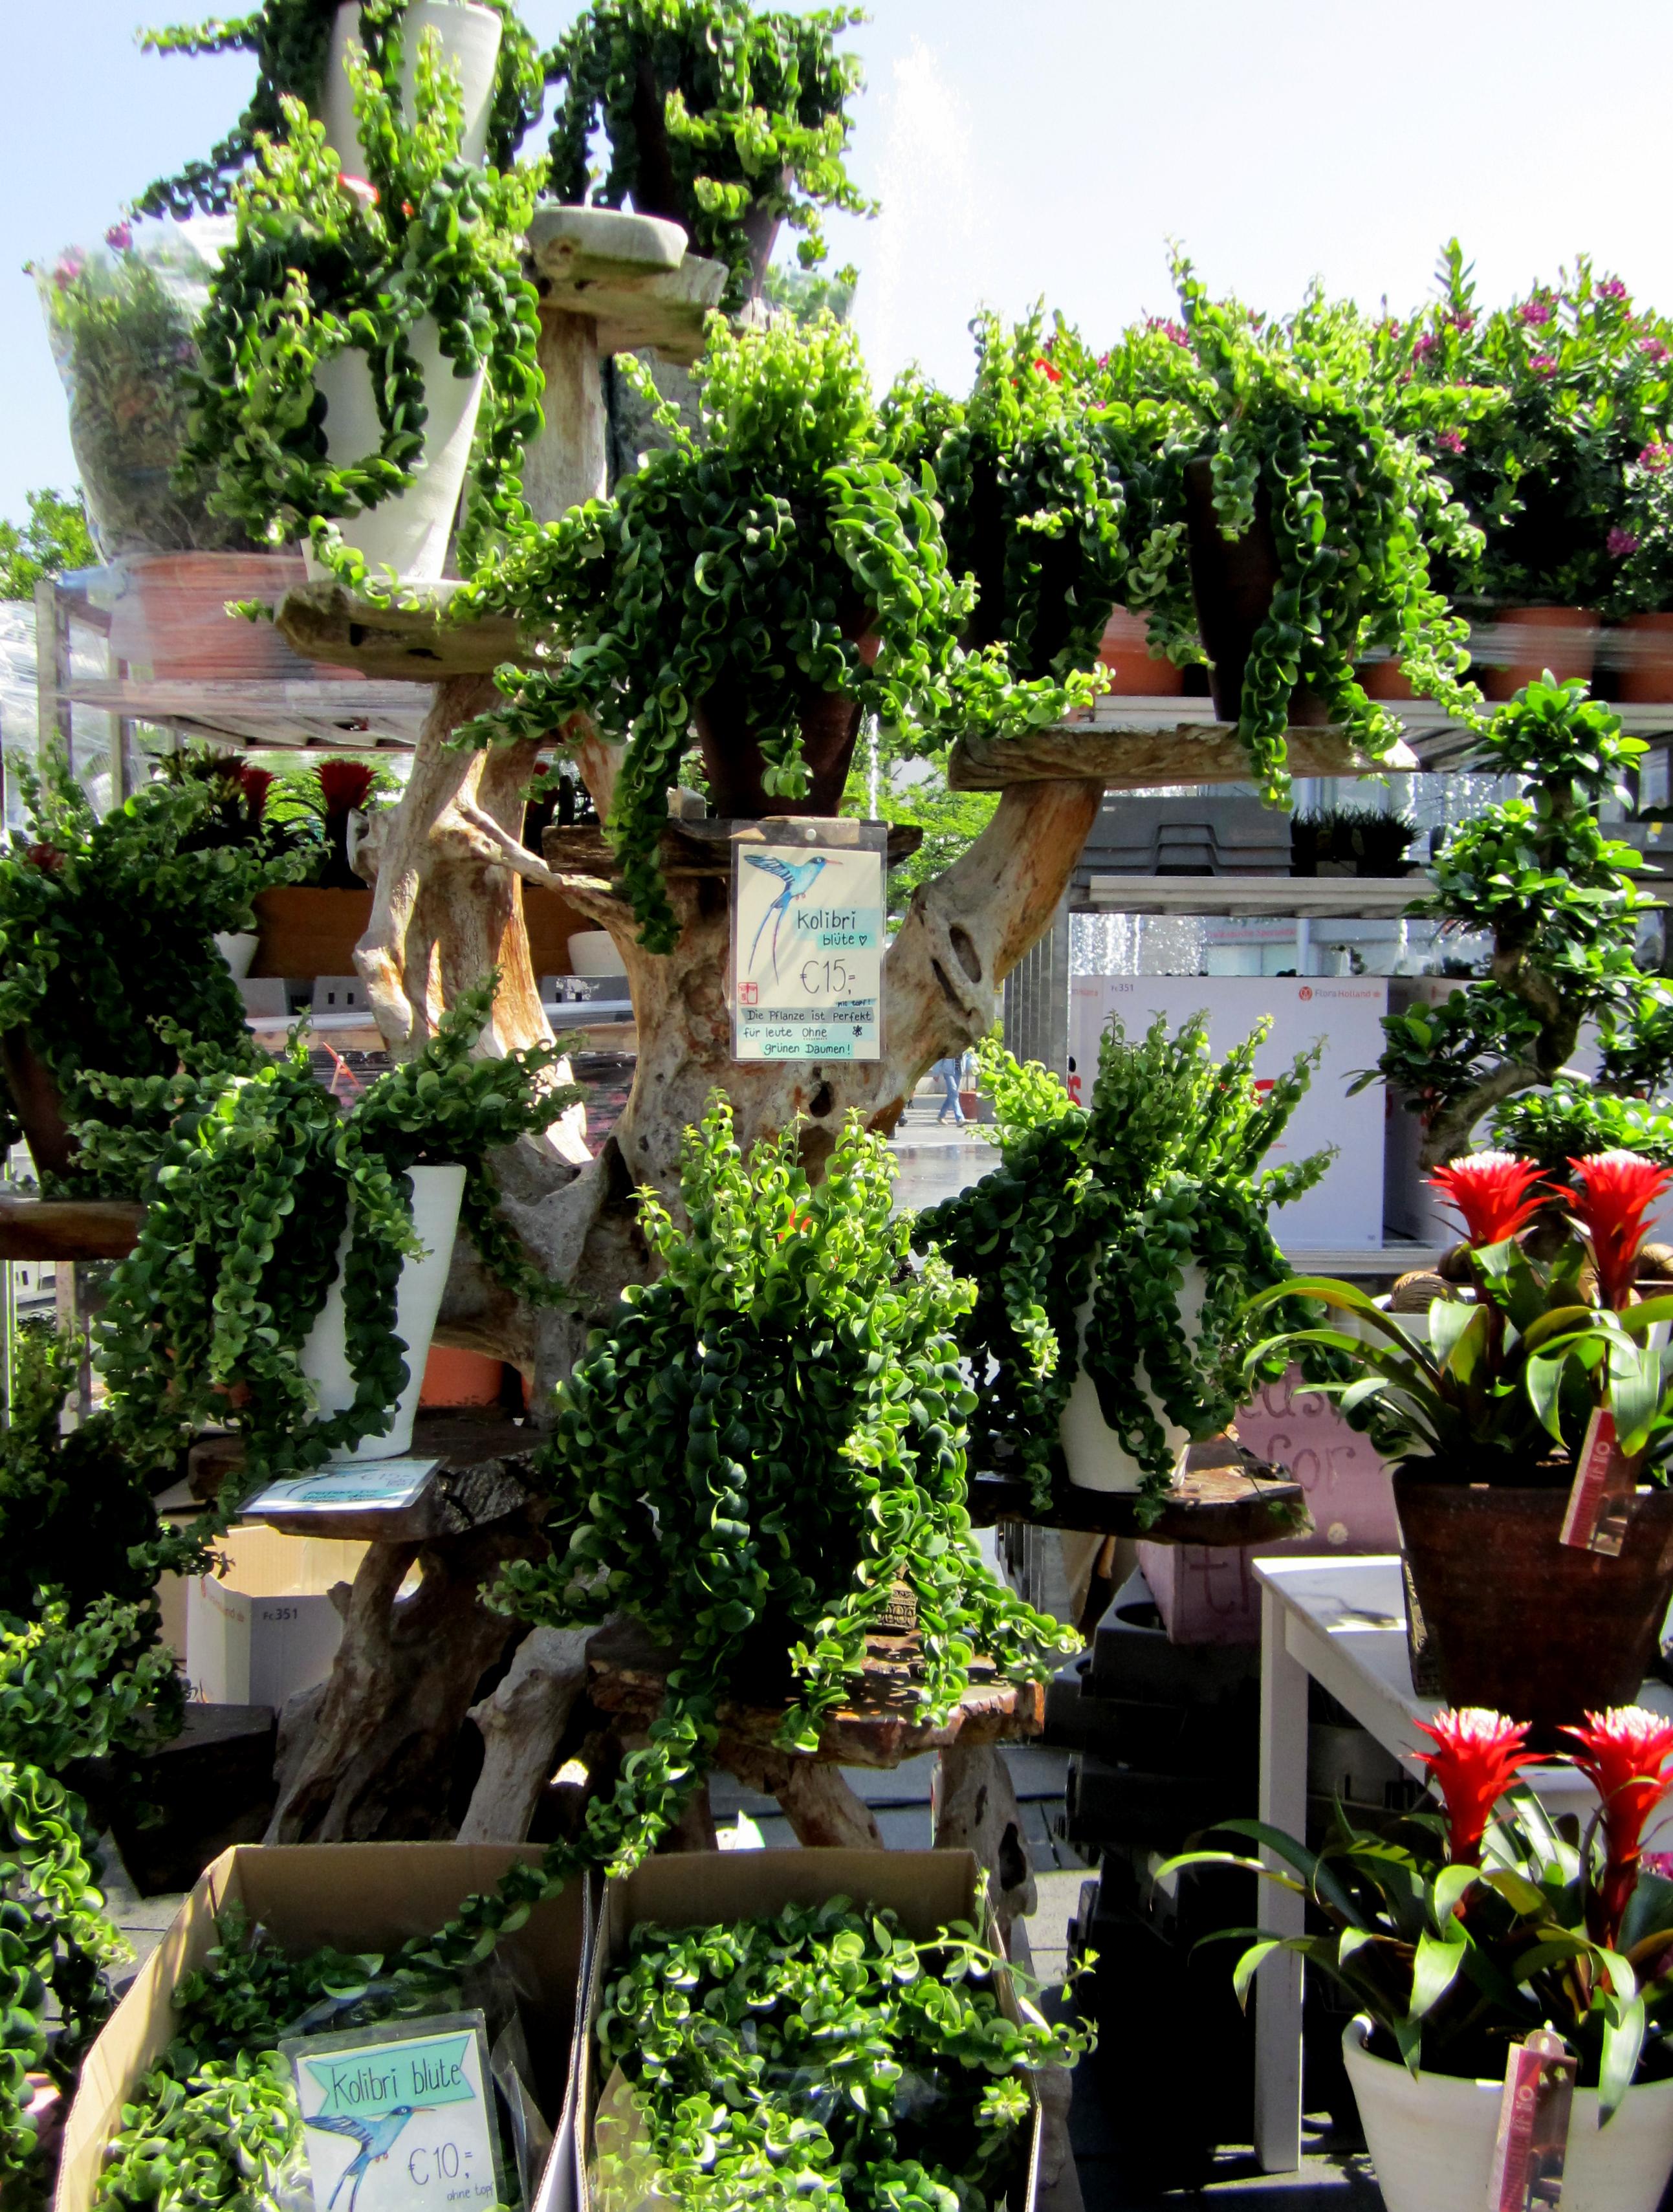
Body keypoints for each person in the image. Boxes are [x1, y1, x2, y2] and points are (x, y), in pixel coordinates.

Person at [932, 1053, 965, 1124]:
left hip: (959, 1071)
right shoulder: (949, 1046)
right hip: (949, 1072)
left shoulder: (963, 1047)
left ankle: (941, 1116)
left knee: (951, 1095)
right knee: (954, 1094)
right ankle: (960, 1119)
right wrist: (936, 1073)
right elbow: (940, 1058)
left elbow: (966, 1056)